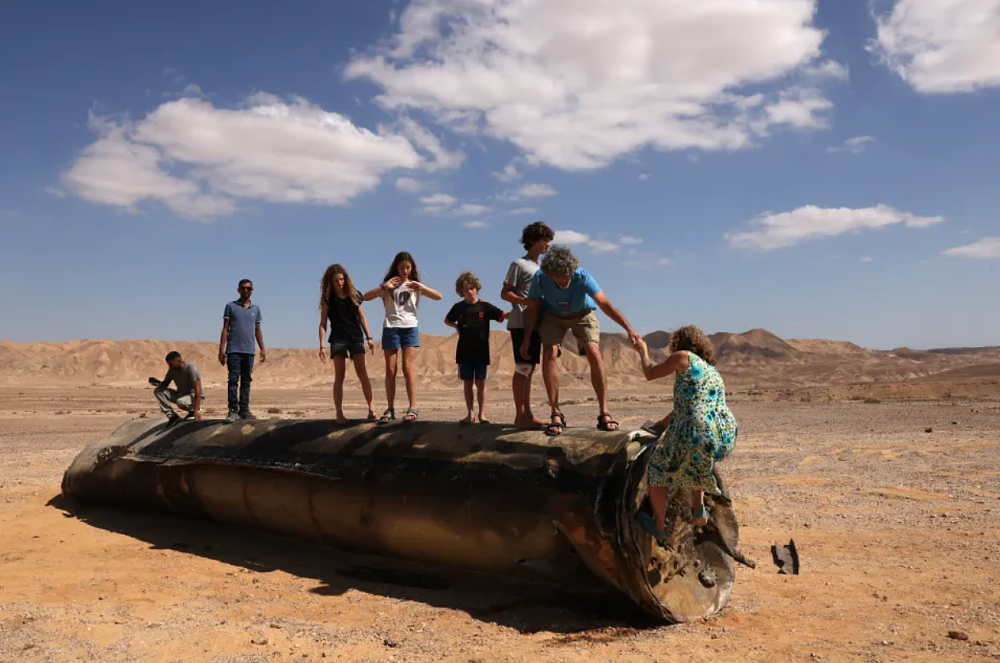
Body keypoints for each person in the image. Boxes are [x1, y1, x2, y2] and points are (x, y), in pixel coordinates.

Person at [521, 245, 640, 436]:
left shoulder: (582, 276)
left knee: (593, 351)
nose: (564, 279)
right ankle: (555, 412)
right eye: (559, 276)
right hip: (552, 315)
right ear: (550, 273)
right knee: (549, 352)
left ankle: (604, 412)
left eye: (567, 275)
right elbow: (533, 308)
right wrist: (527, 338)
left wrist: (629, 329)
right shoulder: (540, 278)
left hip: (582, 313)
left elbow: (605, 305)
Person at [632, 326, 738, 540]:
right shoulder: (712, 371)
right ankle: (698, 510)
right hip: (721, 432)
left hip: (697, 429)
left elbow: (650, 373)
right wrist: (662, 424)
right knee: (694, 462)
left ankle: (659, 527)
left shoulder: (683, 357)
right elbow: (690, 404)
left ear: (679, 344)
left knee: (657, 470)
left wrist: (642, 351)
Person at [363, 252, 442, 424]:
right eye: (401, 268)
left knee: (408, 368)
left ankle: (412, 407)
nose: (405, 271)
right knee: (390, 369)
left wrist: (422, 287)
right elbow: (365, 297)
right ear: (396, 268)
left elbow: (438, 296)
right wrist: (384, 287)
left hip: (409, 327)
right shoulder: (388, 285)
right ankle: (390, 408)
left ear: (411, 268)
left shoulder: (415, 286)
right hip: (391, 327)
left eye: (408, 268)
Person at [500, 221, 554, 430]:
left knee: (529, 368)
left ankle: (528, 414)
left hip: (536, 324)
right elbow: (505, 293)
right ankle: (520, 415)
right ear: (533, 241)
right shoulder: (518, 264)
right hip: (521, 323)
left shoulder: (541, 267)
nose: (548, 244)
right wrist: (526, 302)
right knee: (522, 367)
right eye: (545, 240)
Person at [318, 264, 377, 424]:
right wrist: (322, 345)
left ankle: (372, 409)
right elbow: (323, 323)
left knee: (362, 373)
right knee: (340, 376)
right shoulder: (328, 300)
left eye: (342, 279)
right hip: (338, 338)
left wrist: (369, 337)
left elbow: (362, 318)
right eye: (336, 281)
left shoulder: (354, 295)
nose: (340, 283)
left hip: (356, 336)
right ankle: (339, 414)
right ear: (331, 283)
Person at [445, 271, 506, 424]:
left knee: (481, 383)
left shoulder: (485, 307)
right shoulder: (458, 308)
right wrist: (456, 328)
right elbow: (447, 320)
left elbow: (502, 315)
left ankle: (482, 414)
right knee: (467, 383)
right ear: (461, 291)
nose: (470, 292)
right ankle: (469, 413)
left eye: (472, 288)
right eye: (466, 289)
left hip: (481, 351)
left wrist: (519, 311)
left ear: (476, 288)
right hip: (465, 352)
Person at [219, 279, 266, 422]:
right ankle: (233, 410)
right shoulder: (230, 307)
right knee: (233, 379)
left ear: (252, 291)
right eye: (243, 288)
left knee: (246, 380)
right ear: (238, 290)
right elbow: (225, 328)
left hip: (249, 350)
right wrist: (222, 349)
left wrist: (262, 348)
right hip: (233, 349)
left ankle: (244, 410)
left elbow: (257, 329)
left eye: (249, 289)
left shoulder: (256, 309)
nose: (246, 291)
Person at [153, 351, 202, 426]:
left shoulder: (191, 369)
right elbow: (165, 384)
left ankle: (194, 410)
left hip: (192, 396)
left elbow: (198, 391)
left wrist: (196, 411)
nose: (170, 367)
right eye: (169, 365)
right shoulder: (172, 370)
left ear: (179, 361)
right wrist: (158, 383)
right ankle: (172, 417)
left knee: (181, 401)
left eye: (171, 365)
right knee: (158, 391)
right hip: (180, 394)